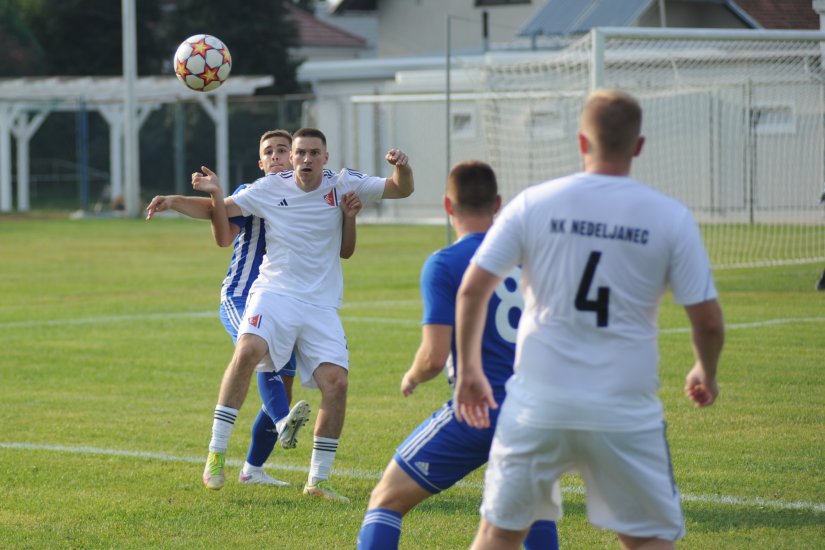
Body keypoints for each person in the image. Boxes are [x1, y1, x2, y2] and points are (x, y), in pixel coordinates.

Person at [453, 89, 725, 550]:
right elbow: (709, 322)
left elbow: (472, 289)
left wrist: (471, 371)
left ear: (582, 142)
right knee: (648, 540)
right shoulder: (669, 217)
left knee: (499, 534)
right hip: (622, 408)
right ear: (639, 145)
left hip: (538, 404)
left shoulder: (533, 202)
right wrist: (706, 370)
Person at [192, 127, 414, 501]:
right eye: (300, 153)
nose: (306, 159)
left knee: (337, 384)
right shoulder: (269, 187)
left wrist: (403, 168)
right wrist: (193, 197)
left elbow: (400, 189)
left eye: (314, 153)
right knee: (247, 350)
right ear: (291, 158)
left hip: (321, 305)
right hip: (274, 293)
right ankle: (216, 454)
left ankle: (317, 481)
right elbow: (219, 212)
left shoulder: (345, 184)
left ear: (325, 157)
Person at [356, 161, 558, 550]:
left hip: (476, 412)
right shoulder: (533, 258)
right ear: (498, 203)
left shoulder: (446, 263)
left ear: (449, 207)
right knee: (533, 511)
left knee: (387, 499)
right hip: (535, 412)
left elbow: (433, 357)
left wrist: (412, 376)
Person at [146, 129, 361, 486]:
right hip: (242, 295)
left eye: (282, 150)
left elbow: (344, 245)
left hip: (287, 301)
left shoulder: (306, 193)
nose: (277, 157)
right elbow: (217, 221)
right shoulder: (255, 193)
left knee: (286, 379)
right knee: (256, 353)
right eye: (269, 152)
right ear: (261, 163)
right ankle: (269, 428)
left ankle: (253, 469)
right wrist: (175, 201)